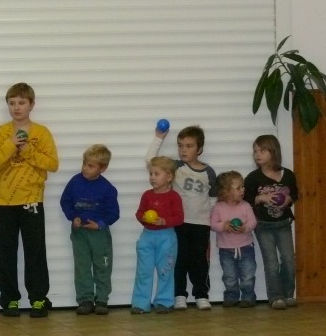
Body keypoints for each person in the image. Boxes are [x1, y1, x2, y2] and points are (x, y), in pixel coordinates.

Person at [0, 82, 59, 317]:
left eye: (22, 102)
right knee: (6, 252)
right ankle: (10, 300)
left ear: (32, 105)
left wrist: (27, 149)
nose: (16, 107)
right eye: (12, 103)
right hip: (3, 201)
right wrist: (10, 145)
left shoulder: (42, 133)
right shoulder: (1, 133)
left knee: (35, 251)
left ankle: (38, 298)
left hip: (31, 200)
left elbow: (52, 164)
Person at [147, 124, 217, 310]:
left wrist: (210, 218)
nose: (183, 150)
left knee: (200, 261)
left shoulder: (209, 172)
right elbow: (151, 161)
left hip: (201, 225)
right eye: (180, 145)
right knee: (178, 260)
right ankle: (179, 295)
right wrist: (159, 138)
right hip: (179, 223)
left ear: (199, 149)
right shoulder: (176, 167)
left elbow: (213, 199)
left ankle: (201, 294)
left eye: (189, 146)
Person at [60, 144, 120, 316]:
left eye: (90, 166)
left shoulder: (107, 188)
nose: (85, 168)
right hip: (80, 233)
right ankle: (85, 300)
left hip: (99, 234)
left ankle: (101, 299)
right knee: (82, 267)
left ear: (103, 168)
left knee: (102, 267)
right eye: (84, 164)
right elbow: (65, 201)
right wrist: (73, 217)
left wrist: (100, 224)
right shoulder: (75, 182)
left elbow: (114, 213)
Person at [243, 134, 298, 310]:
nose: (257, 154)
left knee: (289, 260)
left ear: (273, 152)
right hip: (263, 225)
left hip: (283, 223)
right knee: (271, 262)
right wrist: (261, 198)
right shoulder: (253, 178)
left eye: (262, 150)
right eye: (255, 151)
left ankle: (288, 294)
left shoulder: (287, 174)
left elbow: (294, 194)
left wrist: (288, 199)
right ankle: (276, 297)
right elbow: (246, 201)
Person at [132, 156, 184, 314]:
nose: (152, 177)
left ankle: (164, 302)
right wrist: (143, 217)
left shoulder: (174, 197)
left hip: (166, 237)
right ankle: (140, 303)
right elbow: (139, 213)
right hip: (147, 236)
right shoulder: (147, 195)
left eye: (156, 174)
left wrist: (164, 221)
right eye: (151, 174)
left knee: (165, 271)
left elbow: (179, 218)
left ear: (169, 177)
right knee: (144, 271)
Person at [210, 171, 258, 308]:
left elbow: (253, 222)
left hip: (246, 247)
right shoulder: (218, 207)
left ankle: (248, 297)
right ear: (226, 191)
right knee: (229, 276)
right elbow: (212, 224)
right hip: (226, 249)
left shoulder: (245, 205)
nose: (243, 190)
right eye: (238, 188)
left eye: (243, 187)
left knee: (248, 275)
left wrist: (245, 228)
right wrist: (224, 226)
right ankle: (231, 296)